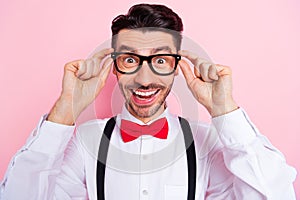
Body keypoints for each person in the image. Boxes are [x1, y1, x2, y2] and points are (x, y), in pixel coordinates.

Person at [0, 3, 297, 200]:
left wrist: (224, 110)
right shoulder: (85, 141)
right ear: (114, 66)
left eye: (160, 59)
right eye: (130, 59)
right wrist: (67, 107)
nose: (144, 78)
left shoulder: (206, 142)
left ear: (178, 65)